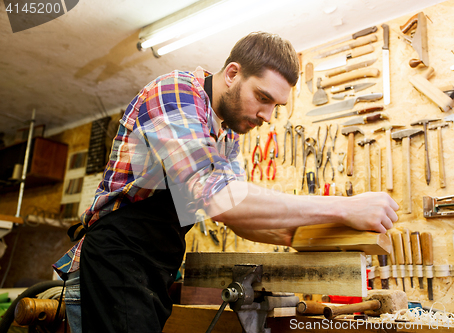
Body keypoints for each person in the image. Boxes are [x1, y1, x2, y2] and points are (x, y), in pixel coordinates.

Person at [53, 31, 398, 333]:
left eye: (276, 105)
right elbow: (220, 199)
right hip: (116, 257)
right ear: (233, 73)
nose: (267, 116)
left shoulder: (225, 137)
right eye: (263, 98)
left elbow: (238, 217)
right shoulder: (177, 93)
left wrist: (328, 237)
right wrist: (345, 207)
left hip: (155, 269)